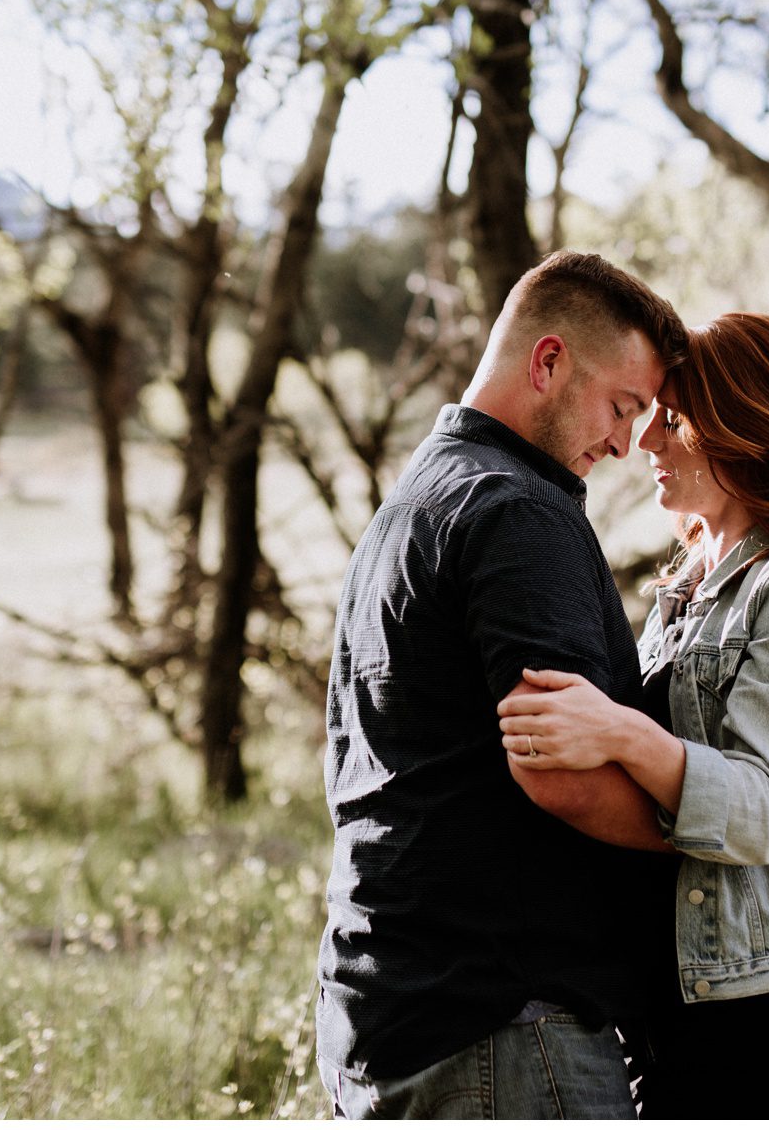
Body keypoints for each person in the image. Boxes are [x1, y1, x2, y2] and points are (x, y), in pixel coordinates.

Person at [315, 251, 689, 1119]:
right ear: (548, 361)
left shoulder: (416, 498)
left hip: (386, 1007)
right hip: (503, 1029)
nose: (627, 442)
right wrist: (717, 834)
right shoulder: (518, 509)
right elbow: (559, 772)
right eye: (623, 406)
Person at [497, 311, 769, 1119]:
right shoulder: (684, 598)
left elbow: (761, 812)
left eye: (674, 421)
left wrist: (621, 731)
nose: (647, 444)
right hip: (678, 1010)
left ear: (748, 428)